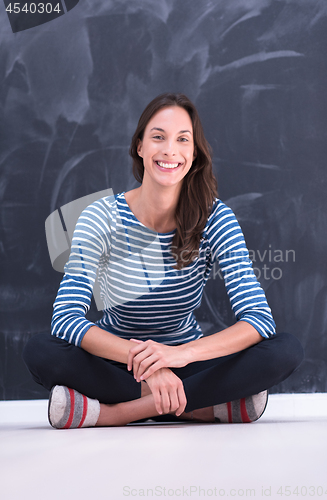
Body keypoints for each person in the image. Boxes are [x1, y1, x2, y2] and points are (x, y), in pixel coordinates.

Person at [23, 93, 304, 429]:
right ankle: (202, 408)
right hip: (116, 360)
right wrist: (151, 367)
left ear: (193, 154)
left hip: (189, 360)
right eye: (158, 137)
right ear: (139, 147)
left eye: (182, 139)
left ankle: (117, 413)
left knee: (285, 350)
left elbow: (259, 321)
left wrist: (178, 356)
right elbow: (66, 319)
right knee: (40, 350)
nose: (170, 150)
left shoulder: (216, 218)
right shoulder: (100, 216)